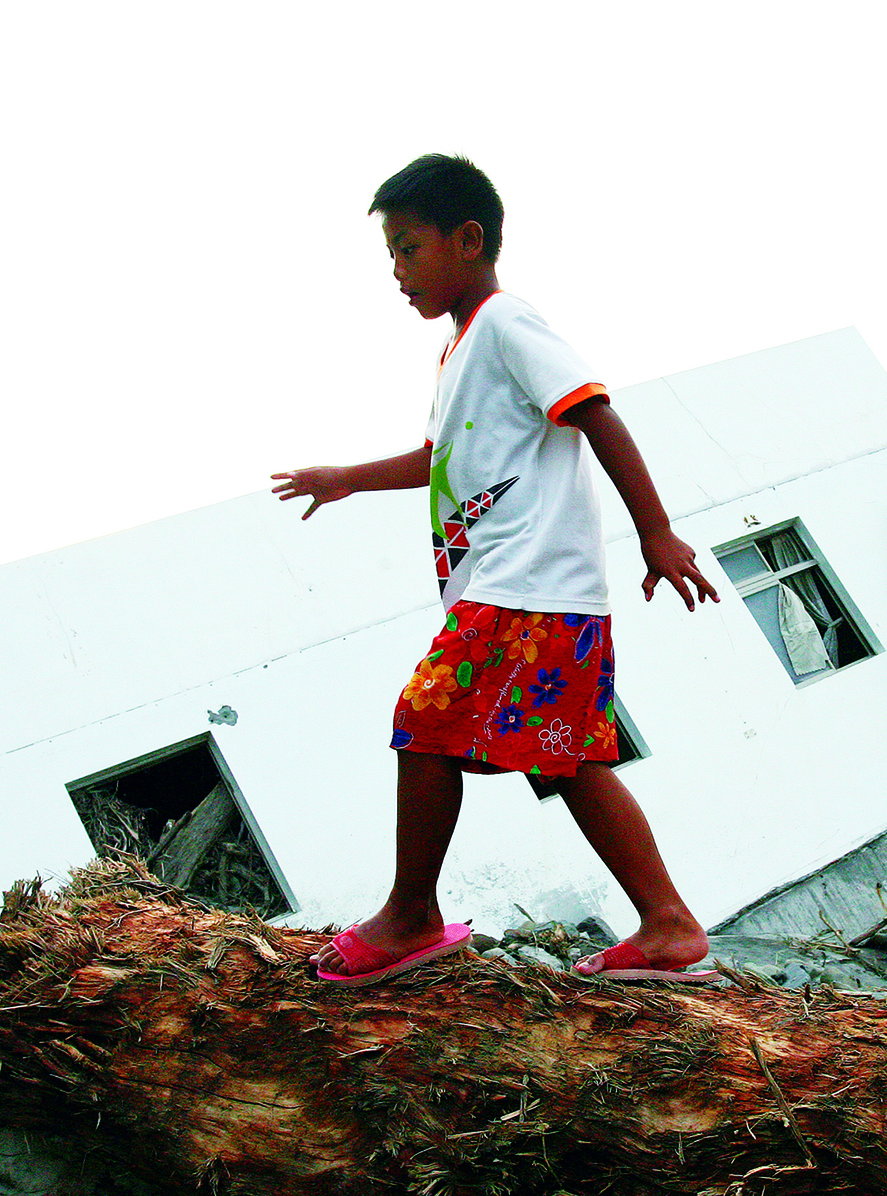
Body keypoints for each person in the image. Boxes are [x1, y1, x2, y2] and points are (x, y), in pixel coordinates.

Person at [271, 154, 718, 987]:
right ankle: (668, 923)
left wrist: (656, 532)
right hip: (533, 593)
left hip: (525, 586)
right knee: (565, 758)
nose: (397, 271)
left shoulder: (508, 322)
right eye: (391, 255)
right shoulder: (458, 353)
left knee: (424, 717)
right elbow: (439, 458)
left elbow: (596, 413)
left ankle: (411, 915)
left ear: (468, 240)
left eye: (408, 248)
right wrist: (346, 478)